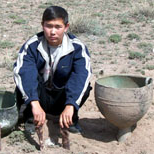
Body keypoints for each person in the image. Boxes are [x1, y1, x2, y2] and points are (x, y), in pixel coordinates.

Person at [13, 5, 92, 133]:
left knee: (85, 85)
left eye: (58, 27)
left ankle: (70, 118)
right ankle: (31, 117)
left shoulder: (77, 48)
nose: (53, 32)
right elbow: (23, 72)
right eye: (49, 26)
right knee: (24, 79)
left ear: (66, 27)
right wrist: (34, 102)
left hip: (62, 97)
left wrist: (71, 104)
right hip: (40, 97)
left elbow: (81, 75)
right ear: (42, 25)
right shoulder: (32, 45)